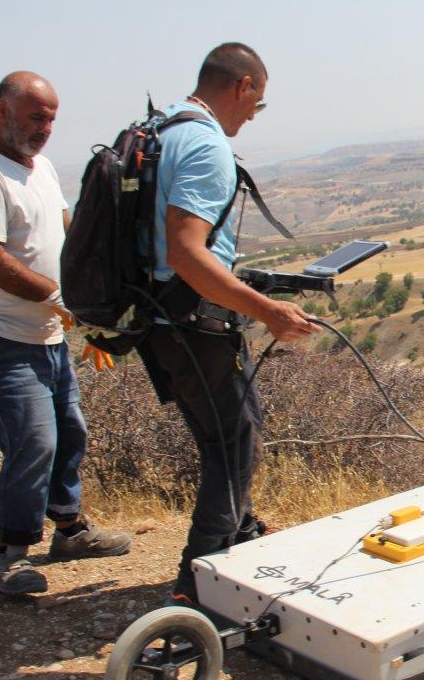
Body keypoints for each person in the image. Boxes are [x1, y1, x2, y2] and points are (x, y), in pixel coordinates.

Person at [135, 43, 317, 604]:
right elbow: (188, 255)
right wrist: (265, 311)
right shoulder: (206, 143)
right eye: (256, 104)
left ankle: (239, 533)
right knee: (234, 439)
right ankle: (198, 584)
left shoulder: (159, 127)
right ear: (242, 86)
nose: (251, 117)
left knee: (229, 428)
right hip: (191, 320)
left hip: (155, 316)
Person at [0, 72, 131, 595]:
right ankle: (7, 555)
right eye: (35, 116)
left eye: (51, 118)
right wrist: (57, 295)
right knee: (33, 443)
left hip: (47, 334)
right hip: (0, 337)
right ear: (2, 110)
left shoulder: (40, 167)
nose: (45, 128)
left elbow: (66, 233)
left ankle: (69, 531)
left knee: (70, 433)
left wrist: (91, 302)